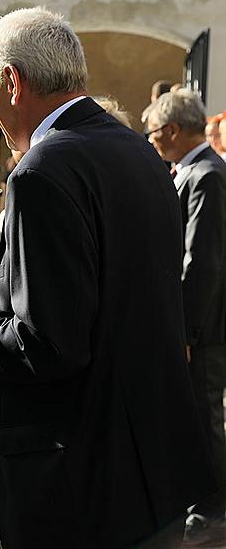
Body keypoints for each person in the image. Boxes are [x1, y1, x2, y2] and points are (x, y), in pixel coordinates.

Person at [0, 7, 212, 547]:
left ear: (13, 82)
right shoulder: (138, 150)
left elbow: (49, 344)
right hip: (151, 466)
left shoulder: (42, 170)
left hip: (80, 481)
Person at [145, 89, 226, 545]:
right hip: (201, 322)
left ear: (173, 131)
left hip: (206, 327)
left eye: (155, 135)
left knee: (203, 413)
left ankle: (213, 508)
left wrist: (188, 329)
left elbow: (202, 262)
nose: (153, 142)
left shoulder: (206, 175)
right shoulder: (195, 170)